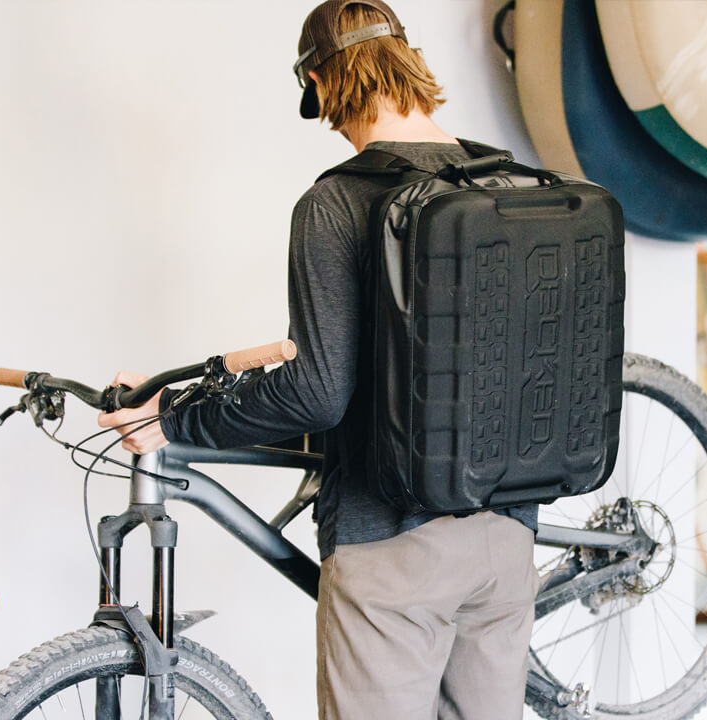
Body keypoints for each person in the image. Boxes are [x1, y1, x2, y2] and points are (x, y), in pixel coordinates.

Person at [97, 2, 538, 718]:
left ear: (325, 86)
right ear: (409, 65)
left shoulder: (337, 203)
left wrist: (175, 423)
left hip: (394, 547)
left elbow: (319, 392)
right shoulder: (511, 188)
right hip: (509, 540)